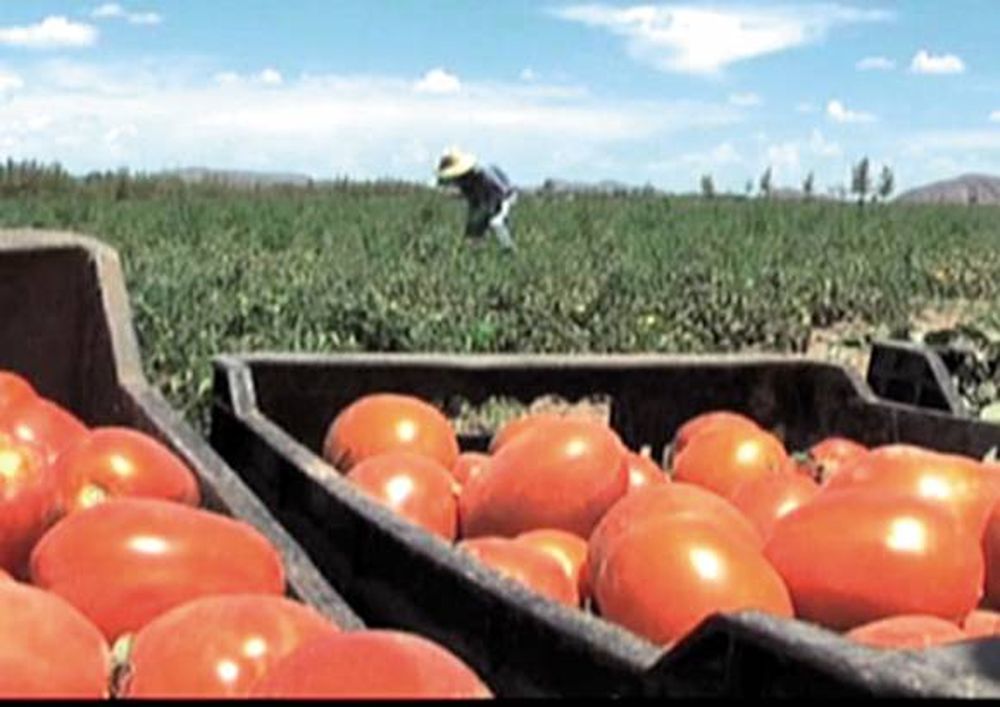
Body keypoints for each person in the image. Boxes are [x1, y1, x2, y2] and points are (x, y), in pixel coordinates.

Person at [435, 148, 517, 252]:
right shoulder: (465, 178)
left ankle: (508, 250)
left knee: (496, 222)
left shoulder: (480, 175)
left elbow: (496, 194)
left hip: (502, 196)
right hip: (483, 200)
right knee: (474, 228)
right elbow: (471, 197)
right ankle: (477, 250)